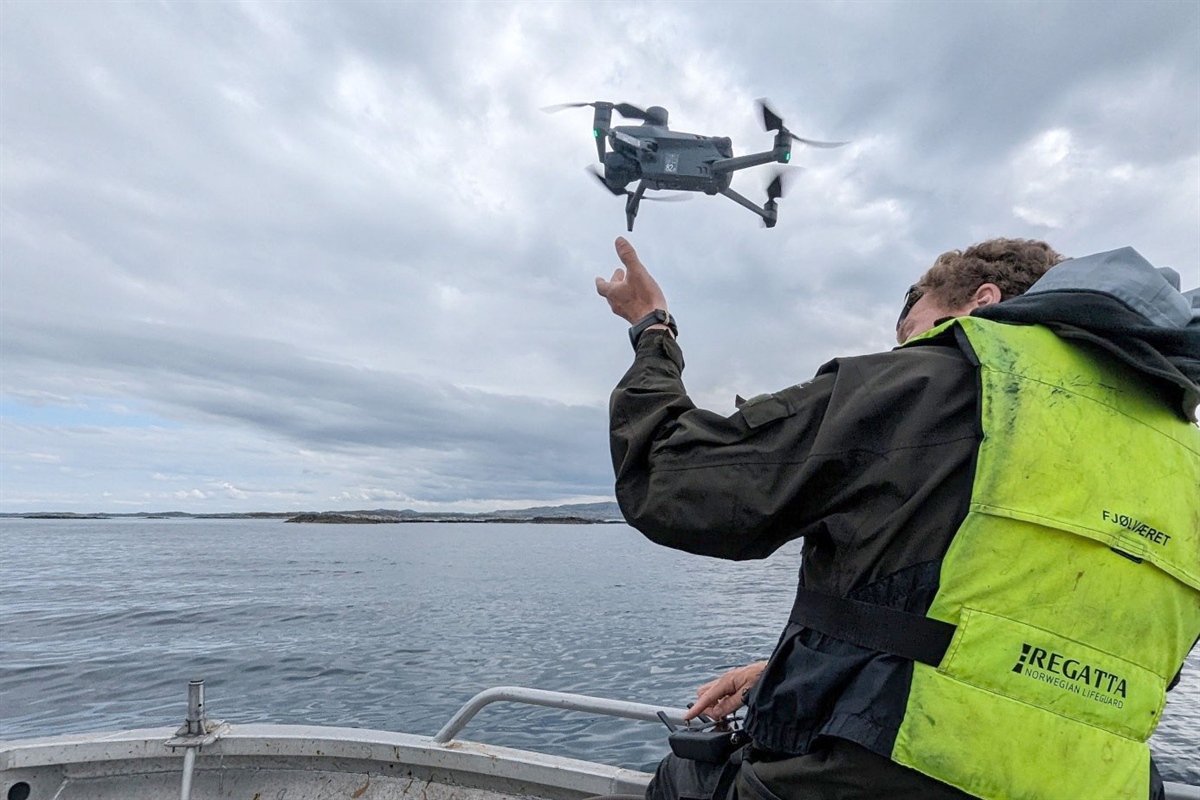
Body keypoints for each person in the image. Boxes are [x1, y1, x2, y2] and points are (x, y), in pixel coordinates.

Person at [595, 237, 1200, 800]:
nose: (902, 345)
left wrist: (653, 328)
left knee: (686, 776)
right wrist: (779, 670)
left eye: (909, 323)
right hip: (1103, 786)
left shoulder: (931, 380)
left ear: (982, 301)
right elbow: (1022, 640)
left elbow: (676, 479)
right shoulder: (1182, 459)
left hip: (881, 776)